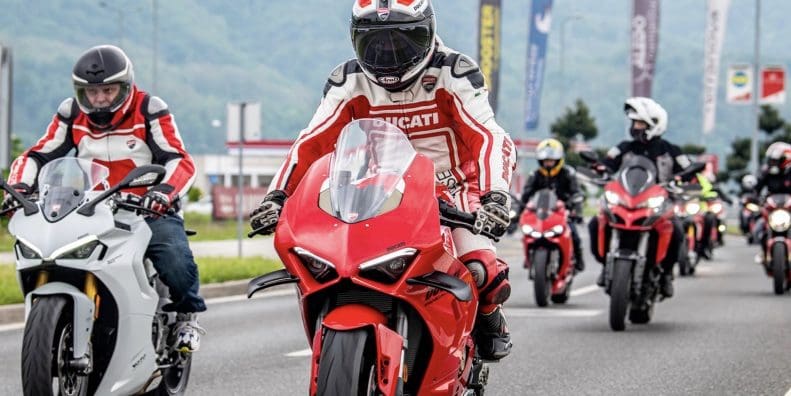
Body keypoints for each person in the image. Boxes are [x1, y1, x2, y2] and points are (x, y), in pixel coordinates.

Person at [249, 0, 516, 361]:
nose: (388, 54)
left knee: (480, 270)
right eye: (375, 43)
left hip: (454, 190)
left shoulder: (455, 72)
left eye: (402, 41)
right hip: (379, 194)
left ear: (428, 33)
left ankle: (488, 320)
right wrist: (276, 196)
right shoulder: (348, 81)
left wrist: (495, 196)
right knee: (336, 264)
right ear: (356, 40)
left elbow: (487, 136)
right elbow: (312, 141)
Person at [2, 45, 206, 352]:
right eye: (91, 92)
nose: (98, 99)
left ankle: (187, 315)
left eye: (108, 91)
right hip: (90, 208)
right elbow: (38, 154)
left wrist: (161, 192)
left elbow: (179, 159)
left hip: (145, 209)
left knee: (174, 259)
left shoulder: (149, 109)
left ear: (125, 87)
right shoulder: (71, 113)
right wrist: (19, 187)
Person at [588, 97, 695, 298]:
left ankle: (665, 275)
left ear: (654, 125)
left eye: (639, 123)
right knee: (596, 222)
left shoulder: (670, 150)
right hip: (627, 200)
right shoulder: (624, 147)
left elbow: (688, 169)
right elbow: (608, 163)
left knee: (678, 230)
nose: (635, 127)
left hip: (659, 203)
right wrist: (600, 168)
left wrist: (682, 178)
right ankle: (605, 265)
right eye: (634, 123)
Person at [520, 138, 585, 272]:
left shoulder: (568, 173)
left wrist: (577, 211)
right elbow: (525, 196)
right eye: (545, 160)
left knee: (574, 235)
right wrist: (516, 214)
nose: (548, 163)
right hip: (540, 214)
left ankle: (578, 260)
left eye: (551, 160)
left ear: (558, 160)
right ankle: (528, 258)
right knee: (528, 233)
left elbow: (576, 193)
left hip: (562, 213)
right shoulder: (535, 175)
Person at [752, 141, 791, 265]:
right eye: (771, 160)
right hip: (772, 209)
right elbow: (757, 188)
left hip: (789, 208)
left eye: (776, 160)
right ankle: (763, 251)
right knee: (759, 227)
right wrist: (753, 198)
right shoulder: (767, 172)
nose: (772, 163)